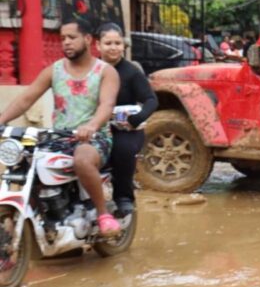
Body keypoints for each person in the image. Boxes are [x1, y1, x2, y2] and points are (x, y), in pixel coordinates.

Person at [0, 18, 121, 235]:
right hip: (58, 138)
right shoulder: (54, 71)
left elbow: (107, 104)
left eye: (71, 37)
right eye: (63, 38)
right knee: (24, 161)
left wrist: (92, 126)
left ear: (87, 39)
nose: (66, 42)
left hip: (94, 138)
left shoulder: (105, 71)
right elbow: (26, 99)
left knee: (82, 160)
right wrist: (1, 119)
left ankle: (103, 213)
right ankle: (46, 217)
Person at [96, 22, 158, 215]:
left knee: (122, 150)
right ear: (98, 45)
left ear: (123, 45)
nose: (113, 47)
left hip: (125, 129)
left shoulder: (131, 72)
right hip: (95, 126)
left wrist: (136, 119)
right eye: (108, 43)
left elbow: (151, 100)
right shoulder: (91, 70)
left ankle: (124, 197)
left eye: (117, 42)